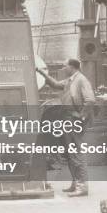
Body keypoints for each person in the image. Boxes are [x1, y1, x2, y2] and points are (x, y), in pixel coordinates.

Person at [36, 59, 95, 197]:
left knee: (75, 152)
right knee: (70, 153)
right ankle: (76, 183)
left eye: (65, 66)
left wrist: (81, 117)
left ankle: (82, 186)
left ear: (72, 67)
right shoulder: (70, 80)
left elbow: (90, 100)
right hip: (67, 118)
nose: (63, 68)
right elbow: (56, 85)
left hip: (74, 119)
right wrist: (42, 73)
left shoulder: (81, 80)